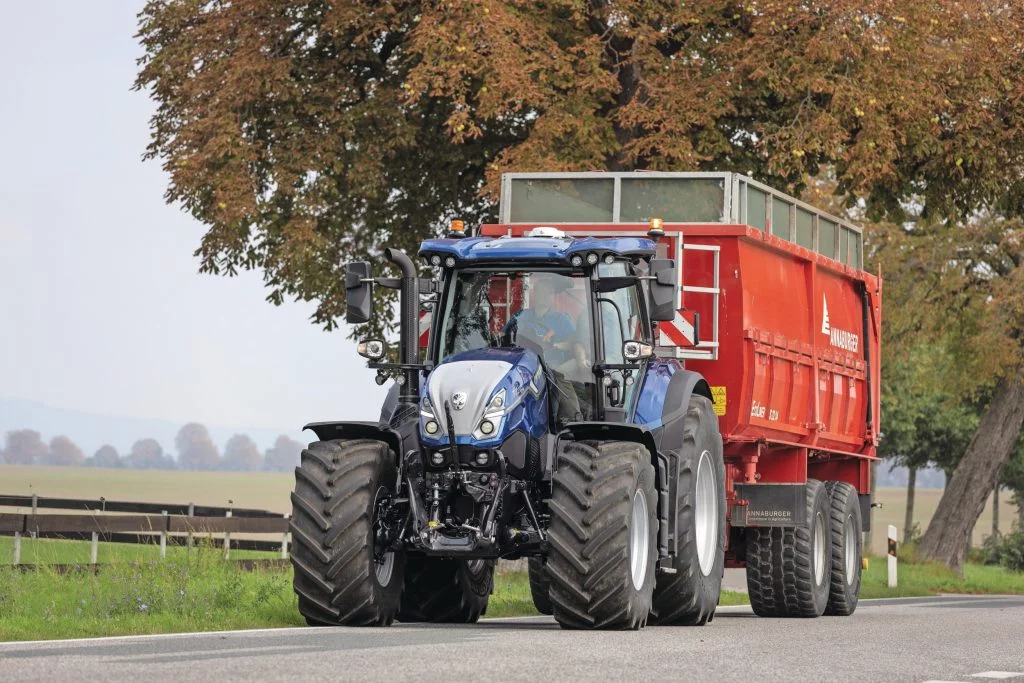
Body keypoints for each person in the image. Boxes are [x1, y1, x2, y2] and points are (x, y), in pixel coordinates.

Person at [505, 274, 590, 421]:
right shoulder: (521, 315)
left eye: (550, 292)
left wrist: (555, 345)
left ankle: (575, 418)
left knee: (558, 376)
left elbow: (574, 343)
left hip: (550, 365)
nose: (547, 296)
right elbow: (505, 336)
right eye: (543, 292)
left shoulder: (562, 319)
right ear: (535, 294)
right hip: (522, 365)